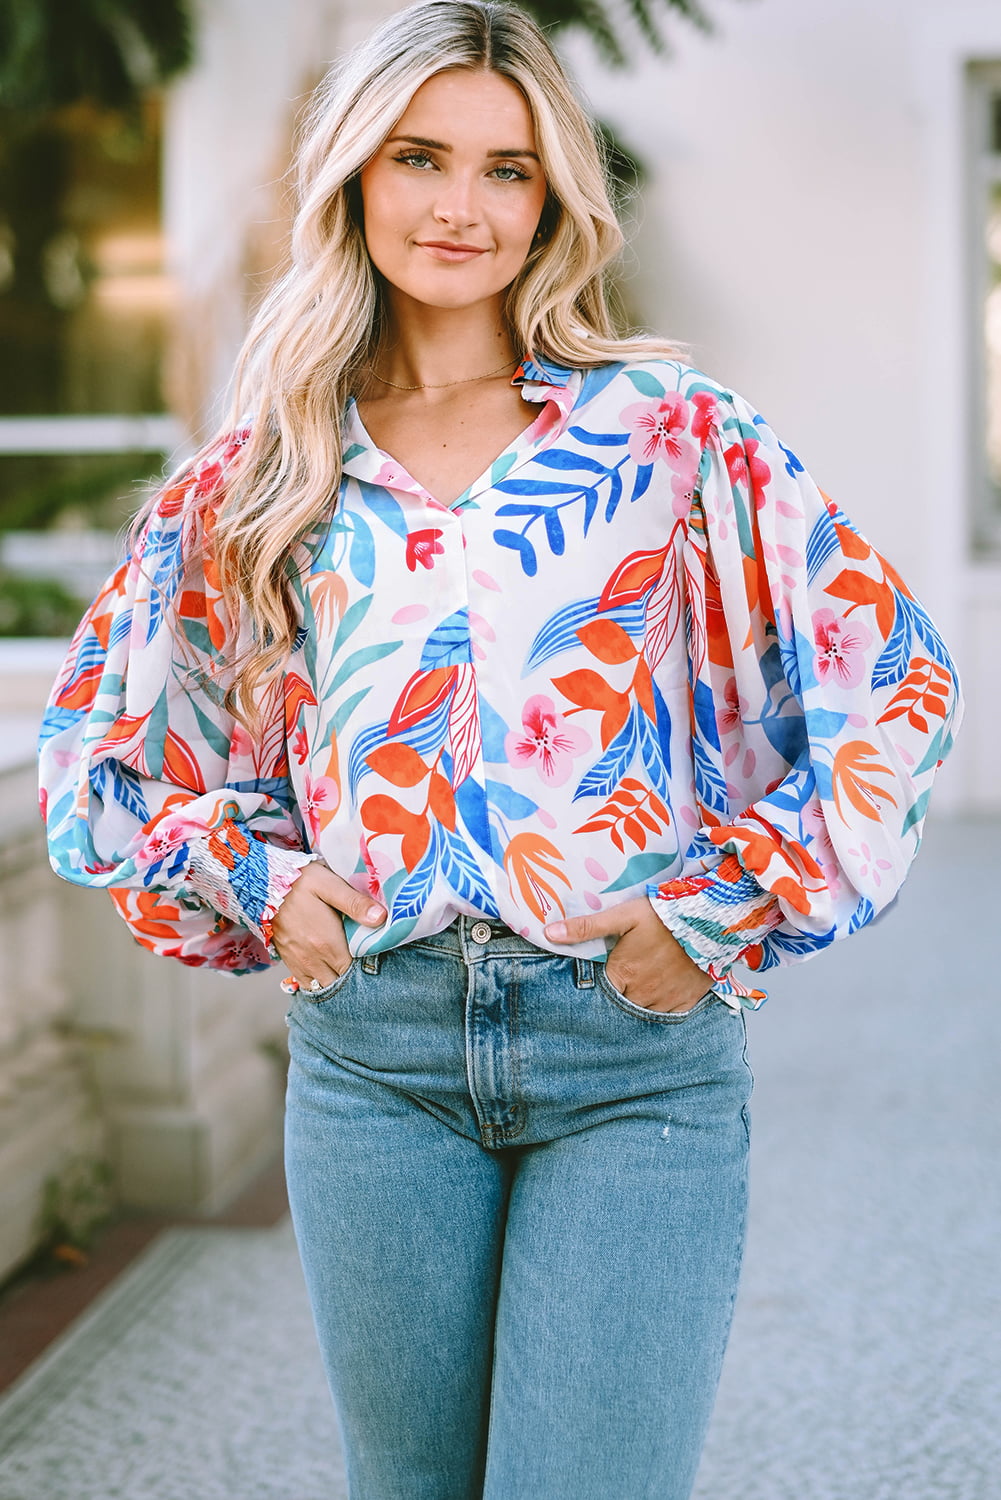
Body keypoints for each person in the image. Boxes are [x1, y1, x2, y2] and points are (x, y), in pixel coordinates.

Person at [38, 3, 962, 1496]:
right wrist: (264, 885)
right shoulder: (266, 470)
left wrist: (713, 907)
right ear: (352, 176)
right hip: (374, 1060)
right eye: (419, 158)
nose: (461, 207)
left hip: (631, 1054)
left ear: (554, 201)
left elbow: (894, 680)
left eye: (506, 169)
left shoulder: (669, 432)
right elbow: (96, 748)